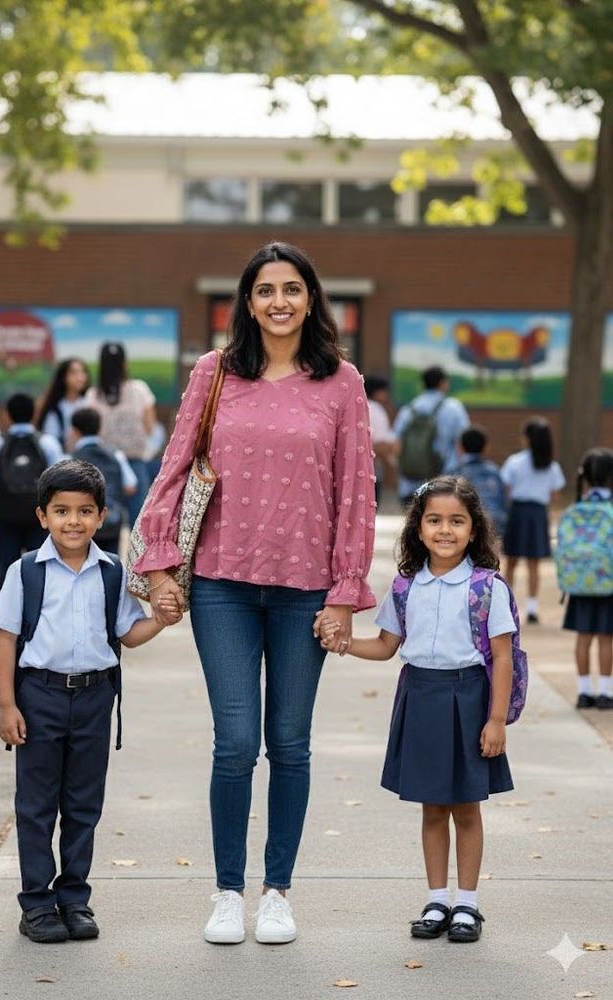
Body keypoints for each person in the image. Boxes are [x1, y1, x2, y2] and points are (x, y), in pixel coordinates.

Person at [133, 241, 376, 945]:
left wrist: (344, 591)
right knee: (235, 744)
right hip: (221, 586)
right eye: (265, 290)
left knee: (290, 745)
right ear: (247, 301)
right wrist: (157, 561)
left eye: (291, 289)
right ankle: (227, 891)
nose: (278, 302)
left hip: (306, 592)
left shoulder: (342, 383)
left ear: (310, 299)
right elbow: (173, 470)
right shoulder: (212, 374)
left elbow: (356, 491)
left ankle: (277, 891)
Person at [0, 459, 181, 944]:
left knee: (83, 804)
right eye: (61, 511)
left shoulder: (112, 572)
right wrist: (7, 705)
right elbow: (5, 639)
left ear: (102, 516)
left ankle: (74, 899)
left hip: (95, 698)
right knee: (35, 805)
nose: (73, 521)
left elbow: (128, 635)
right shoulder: (26, 571)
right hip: (39, 697)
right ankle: (36, 904)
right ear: (42, 516)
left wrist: (161, 618)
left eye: (84, 511)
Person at [316, 475, 516, 944]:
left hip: (469, 701)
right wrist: (340, 644)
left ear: (473, 529)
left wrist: (496, 719)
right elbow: (387, 646)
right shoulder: (406, 587)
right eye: (434, 520)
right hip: (420, 698)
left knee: (466, 807)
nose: (445, 530)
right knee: (431, 808)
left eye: (457, 521)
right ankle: (436, 899)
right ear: (418, 528)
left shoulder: (488, 587)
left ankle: (467, 904)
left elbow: (503, 655)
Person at [0, 393, 64, 588]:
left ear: (7, 415)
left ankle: (6, 614)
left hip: (6, 512)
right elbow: (59, 478)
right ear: (35, 414)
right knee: (40, 563)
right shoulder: (47, 443)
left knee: (7, 564)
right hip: (38, 513)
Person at [559, 447, 613, 710]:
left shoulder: (574, 511)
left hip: (579, 583)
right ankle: (605, 692)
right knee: (606, 638)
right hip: (608, 584)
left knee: (583, 638)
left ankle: (583, 691)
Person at [500, 417, 565, 624]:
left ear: (527, 438)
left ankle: (506, 607)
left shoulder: (515, 461)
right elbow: (555, 496)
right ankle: (532, 609)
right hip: (538, 514)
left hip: (518, 513)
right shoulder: (552, 466)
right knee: (534, 564)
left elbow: (506, 489)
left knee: (511, 561)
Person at [84, 343, 156, 526]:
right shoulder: (140, 389)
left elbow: (91, 430)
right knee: (138, 523)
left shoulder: (93, 395)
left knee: (105, 523)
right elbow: (150, 426)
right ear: (124, 363)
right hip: (135, 461)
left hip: (104, 463)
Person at [393, 366, 470, 506]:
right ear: (443, 383)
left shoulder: (408, 409)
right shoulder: (453, 408)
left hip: (410, 484)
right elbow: (464, 442)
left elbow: (396, 445)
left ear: (423, 384)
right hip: (444, 482)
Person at [70, 407, 138, 555]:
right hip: (111, 520)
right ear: (99, 428)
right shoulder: (116, 454)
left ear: (75, 431)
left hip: (81, 525)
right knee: (110, 565)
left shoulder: (70, 458)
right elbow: (131, 486)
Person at [454, 425, 508, 540]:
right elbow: (503, 499)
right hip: (495, 523)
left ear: (460, 447)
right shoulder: (493, 471)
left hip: (466, 525)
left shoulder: (456, 472)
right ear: (485, 448)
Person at [36, 357, 90, 450]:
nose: (80, 377)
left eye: (82, 372)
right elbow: (51, 442)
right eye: (74, 373)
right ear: (63, 377)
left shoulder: (89, 403)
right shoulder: (56, 409)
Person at [363, 374, 396, 507]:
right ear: (377, 391)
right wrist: (390, 465)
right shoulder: (376, 410)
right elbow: (382, 443)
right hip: (373, 469)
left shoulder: (357, 406)